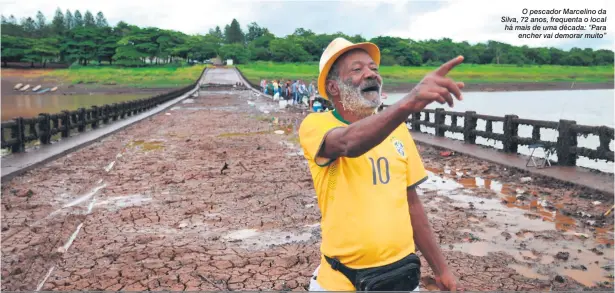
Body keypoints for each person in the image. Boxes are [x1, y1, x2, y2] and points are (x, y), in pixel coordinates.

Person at [298, 37, 465, 292]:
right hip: (341, 281)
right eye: (357, 69)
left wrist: (442, 269)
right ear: (333, 87)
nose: (370, 74)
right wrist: (409, 101)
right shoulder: (316, 125)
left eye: (374, 69)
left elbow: (412, 203)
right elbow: (347, 144)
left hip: (401, 276)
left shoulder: (397, 131)